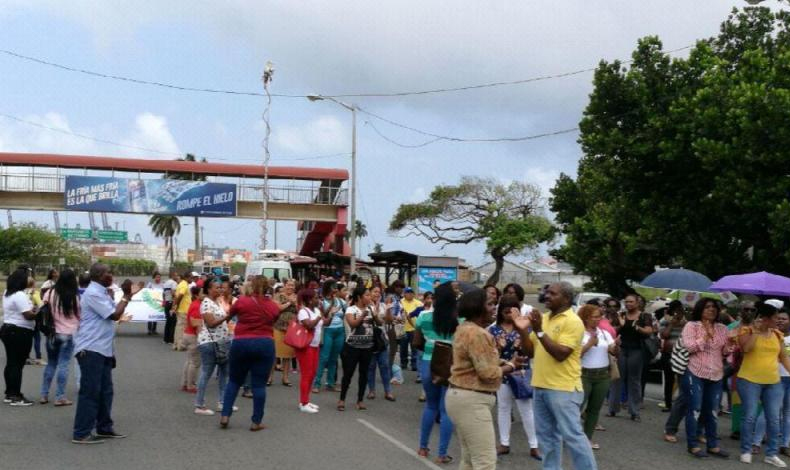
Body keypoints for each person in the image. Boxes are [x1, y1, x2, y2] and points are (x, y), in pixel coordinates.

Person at [445, 288, 527, 470]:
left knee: (469, 460)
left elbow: (479, 361)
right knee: (485, 462)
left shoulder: (464, 328)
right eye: (490, 304)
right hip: (472, 400)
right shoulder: (479, 334)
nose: (494, 308)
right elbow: (488, 373)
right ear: (477, 308)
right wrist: (512, 366)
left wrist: (505, 361)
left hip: (460, 397)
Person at [524, 282, 598, 470]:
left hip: (563, 389)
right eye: (546, 292)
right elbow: (530, 351)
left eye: (552, 293)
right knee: (547, 438)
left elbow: (561, 354)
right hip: (540, 385)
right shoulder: (544, 318)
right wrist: (521, 329)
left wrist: (539, 331)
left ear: (566, 298)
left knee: (572, 437)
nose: (546, 296)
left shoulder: (573, 321)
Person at [72, 263, 137, 444]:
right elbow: (114, 315)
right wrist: (126, 297)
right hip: (91, 349)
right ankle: (81, 433)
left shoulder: (102, 292)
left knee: (105, 392)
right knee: (90, 392)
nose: (112, 275)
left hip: (103, 349)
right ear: (100, 275)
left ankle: (104, 427)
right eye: (108, 272)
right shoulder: (93, 293)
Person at [219, 276, 280, 430]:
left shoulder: (242, 301)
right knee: (259, 385)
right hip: (264, 343)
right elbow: (274, 320)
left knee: (234, 381)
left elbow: (230, 314)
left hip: (241, 342)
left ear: (251, 286)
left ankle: (225, 415)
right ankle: (256, 422)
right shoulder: (272, 306)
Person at [737, 302, 790, 466]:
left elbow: (783, 357)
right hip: (749, 380)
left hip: (773, 381)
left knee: (774, 418)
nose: (778, 320)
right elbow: (746, 349)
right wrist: (756, 332)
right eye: (775, 317)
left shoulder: (777, 335)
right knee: (750, 416)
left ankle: (771, 454)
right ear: (766, 319)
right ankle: (746, 450)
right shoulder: (747, 330)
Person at [489, 294, 542, 460]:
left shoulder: (526, 327)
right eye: (505, 309)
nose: (508, 312)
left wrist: (522, 341)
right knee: (504, 408)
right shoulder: (492, 329)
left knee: (526, 410)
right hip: (503, 371)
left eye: (512, 309)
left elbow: (531, 352)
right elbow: (490, 355)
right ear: (500, 311)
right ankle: (504, 443)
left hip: (522, 373)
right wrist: (498, 347)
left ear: (518, 310)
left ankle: (534, 445)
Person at [678, 298, 731, 458]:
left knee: (712, 411)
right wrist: (705, 337)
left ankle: (713, 445)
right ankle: (692, 445)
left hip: (716, 374)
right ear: (700, 309)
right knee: (695, 409)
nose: (711, 310)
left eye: (714, 307)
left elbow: (724, 352)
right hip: (695, 372)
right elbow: (689, 347)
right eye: (707, 307)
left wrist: (731, 345)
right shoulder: (691, 326)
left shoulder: (722, 328)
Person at [415, 283, 458, 464]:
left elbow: (416, 341)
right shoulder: (460, 321)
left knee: (430, 407)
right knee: (446, 410)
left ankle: (423, 447)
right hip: (450, 364)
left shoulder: (424, 317)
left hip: (428, 362)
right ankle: (442, 454)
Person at [608, 293, 653, 421]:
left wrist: (635, 326)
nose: (628, 304)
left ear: (637, 303)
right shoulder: (621, 315)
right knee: (617, 378)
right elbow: (614, 330)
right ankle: (612, 409)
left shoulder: (645, 316)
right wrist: (620, 326)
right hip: (622, 350)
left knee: (634, 381)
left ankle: (634, 411)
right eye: (626, 302)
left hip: (637, 350)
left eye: (631, 302)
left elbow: (649, 331)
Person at [579, 303, 618, 451]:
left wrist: (616, 347)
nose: (597, 319)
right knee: (577, 408)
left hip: (602, 375)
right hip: (584, 375)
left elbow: (613, 351)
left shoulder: (604, 333)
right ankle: (571, 437)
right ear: (585, 318)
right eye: (593, 317)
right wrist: (589, 344)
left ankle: (587, 439)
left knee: (594, 410)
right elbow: (575, 355)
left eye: (599, 316)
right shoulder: (579, 333)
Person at [39, 268, 81, 406]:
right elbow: (80, 316)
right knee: (63, 364)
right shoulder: (74, 296)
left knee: (51, 363)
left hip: (52, 333)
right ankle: (60, 396)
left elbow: (42, 308)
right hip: (68, 333)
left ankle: (44, 394)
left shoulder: (50, 293)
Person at [193, 278, 233, 416]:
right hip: (209, 342)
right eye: (217, 287)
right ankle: (199, 405)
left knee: (224, 372)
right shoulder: (206, 304)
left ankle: (223, 402)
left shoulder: (217, 302)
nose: (220, 290)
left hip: (221, 341)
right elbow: (210, 323)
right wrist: (227, 316)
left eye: (221, 287)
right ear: (209, 289)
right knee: (206, 373)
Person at [338, 286, 379, 411]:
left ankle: (360, 400)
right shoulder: (351, 309)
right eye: (366, 295)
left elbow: (380, 323)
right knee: (348, 374)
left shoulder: (371, 308)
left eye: (369, 295)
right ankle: (342, 399)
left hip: (367, 346)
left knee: (364, 374)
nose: (369, 297)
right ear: (359, 297)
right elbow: (353, 324)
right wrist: (362, 315)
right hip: (352, 347)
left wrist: (375, 314)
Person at [1, 267, 37, 406]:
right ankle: (16, 396)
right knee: (17, 364)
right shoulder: (20, 295)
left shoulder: (7, 293)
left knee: (11, 363)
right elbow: (27, 315)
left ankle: (10, 393)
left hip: (8, 329)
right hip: (19, 331)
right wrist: (38, 312)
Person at [295, 288, 325, 413]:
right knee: (306, 374)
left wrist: (330, 313)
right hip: (305, 346)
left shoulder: (317, 310)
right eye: (315, 297)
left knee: (312, 373)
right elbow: (309, 325)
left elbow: (324, 322)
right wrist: (319, 318)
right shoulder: (303, 311)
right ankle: (303, 402)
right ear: (309, 300)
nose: (317, 299)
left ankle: (306, 400)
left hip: (315, 345)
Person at [313, 280, 345, 392]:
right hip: (327, 330)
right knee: (324, 358)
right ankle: (316, 384)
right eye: (333, 287)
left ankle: (330, 383)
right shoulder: (321, 302)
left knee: (334, 358)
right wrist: (331, 305)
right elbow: (323, 316)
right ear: (328, 288)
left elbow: (347, 313)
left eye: (336, 287)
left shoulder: (341, 301)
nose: (335, 289)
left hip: (340, 331)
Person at [367, 285, 394, 401]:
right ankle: (371, 391)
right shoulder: (366, 306)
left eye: (379, 292)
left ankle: (388, 391)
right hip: (368, 339)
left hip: (382, 339)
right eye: (374, 291)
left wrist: (388, 308)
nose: (377, 294)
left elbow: (389, 320)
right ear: (369, 293)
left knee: (385, 366)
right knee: (371, 366)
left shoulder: (383, 305)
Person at [659, 300, 685, 411]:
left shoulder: (687, 322)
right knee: (669, 380)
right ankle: (668, 403)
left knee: (682, 380)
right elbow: (664, 335)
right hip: (668, 353)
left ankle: (682, 404)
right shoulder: (664, 321)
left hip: (682, 353)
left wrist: (684, 324)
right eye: (675, 310)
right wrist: (672, 324)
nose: (677, 313)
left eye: (680, 310)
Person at [271, 279, 297, 387]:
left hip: (291, 328)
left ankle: (285, 378)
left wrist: (295, 303)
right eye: (288, 285)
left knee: (288, 355)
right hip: (278, 326)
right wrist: (290, 302)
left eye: (292, 285)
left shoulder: (297, 296)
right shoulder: (278, 296)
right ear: (284, 285)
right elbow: (278, 308)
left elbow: (300, 309)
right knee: (274, 354)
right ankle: (269, 377)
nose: (290, 287)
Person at [181, 285, 202, 393]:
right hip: (193, 336)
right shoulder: (197, 306)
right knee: (195, 362)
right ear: (196, 295)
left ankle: (185, 383)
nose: (204, 294)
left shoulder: (194, 304)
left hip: (188, 334)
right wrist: (201, 337)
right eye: (202, 292)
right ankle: (190, 385)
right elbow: (196, 323)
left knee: (190, 361)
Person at [775, 310, 790, 457]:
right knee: (770, 413)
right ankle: (756, 441)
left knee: (787, 414)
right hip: (775, 378)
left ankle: (785, 444)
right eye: (778, 318)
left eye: (784, 318)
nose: (780, 321)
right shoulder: (771, 336)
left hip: (789, 378)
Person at [400, 286, 423, 373]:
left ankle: (414, 365)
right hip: (403, 329)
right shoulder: (400, 302)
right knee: (403, 347)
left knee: (415, 348)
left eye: (411, 292)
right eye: (408, 292)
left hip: (414, 328)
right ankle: (403, 363)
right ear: (404, 294)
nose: (410, 294)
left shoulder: (418, 303)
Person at [171, 271, 193, 351]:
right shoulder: (184, 285)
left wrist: (175, 306)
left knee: (178, 328)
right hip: (184, 309)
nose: (192, 279)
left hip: (181, 309)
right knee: (182, 328)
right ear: (187, 277)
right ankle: (180, 345)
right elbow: (180, 295)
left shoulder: (181, 284)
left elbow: (176, 296)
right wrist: (175, 306)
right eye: (191, 277)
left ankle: (176, 344)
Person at [162, 272, 179, 345]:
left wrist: (165, 301)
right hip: (171, 302)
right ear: (172, 276)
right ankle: (171, 340)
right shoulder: (174, 283)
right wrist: (175, 302)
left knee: (168, 321)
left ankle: (165, 339)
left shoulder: (165, 283)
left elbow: (163, 294)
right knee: (173, 321)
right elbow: (173, 293)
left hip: (166, 303)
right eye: (176, 275)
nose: (177, 276)